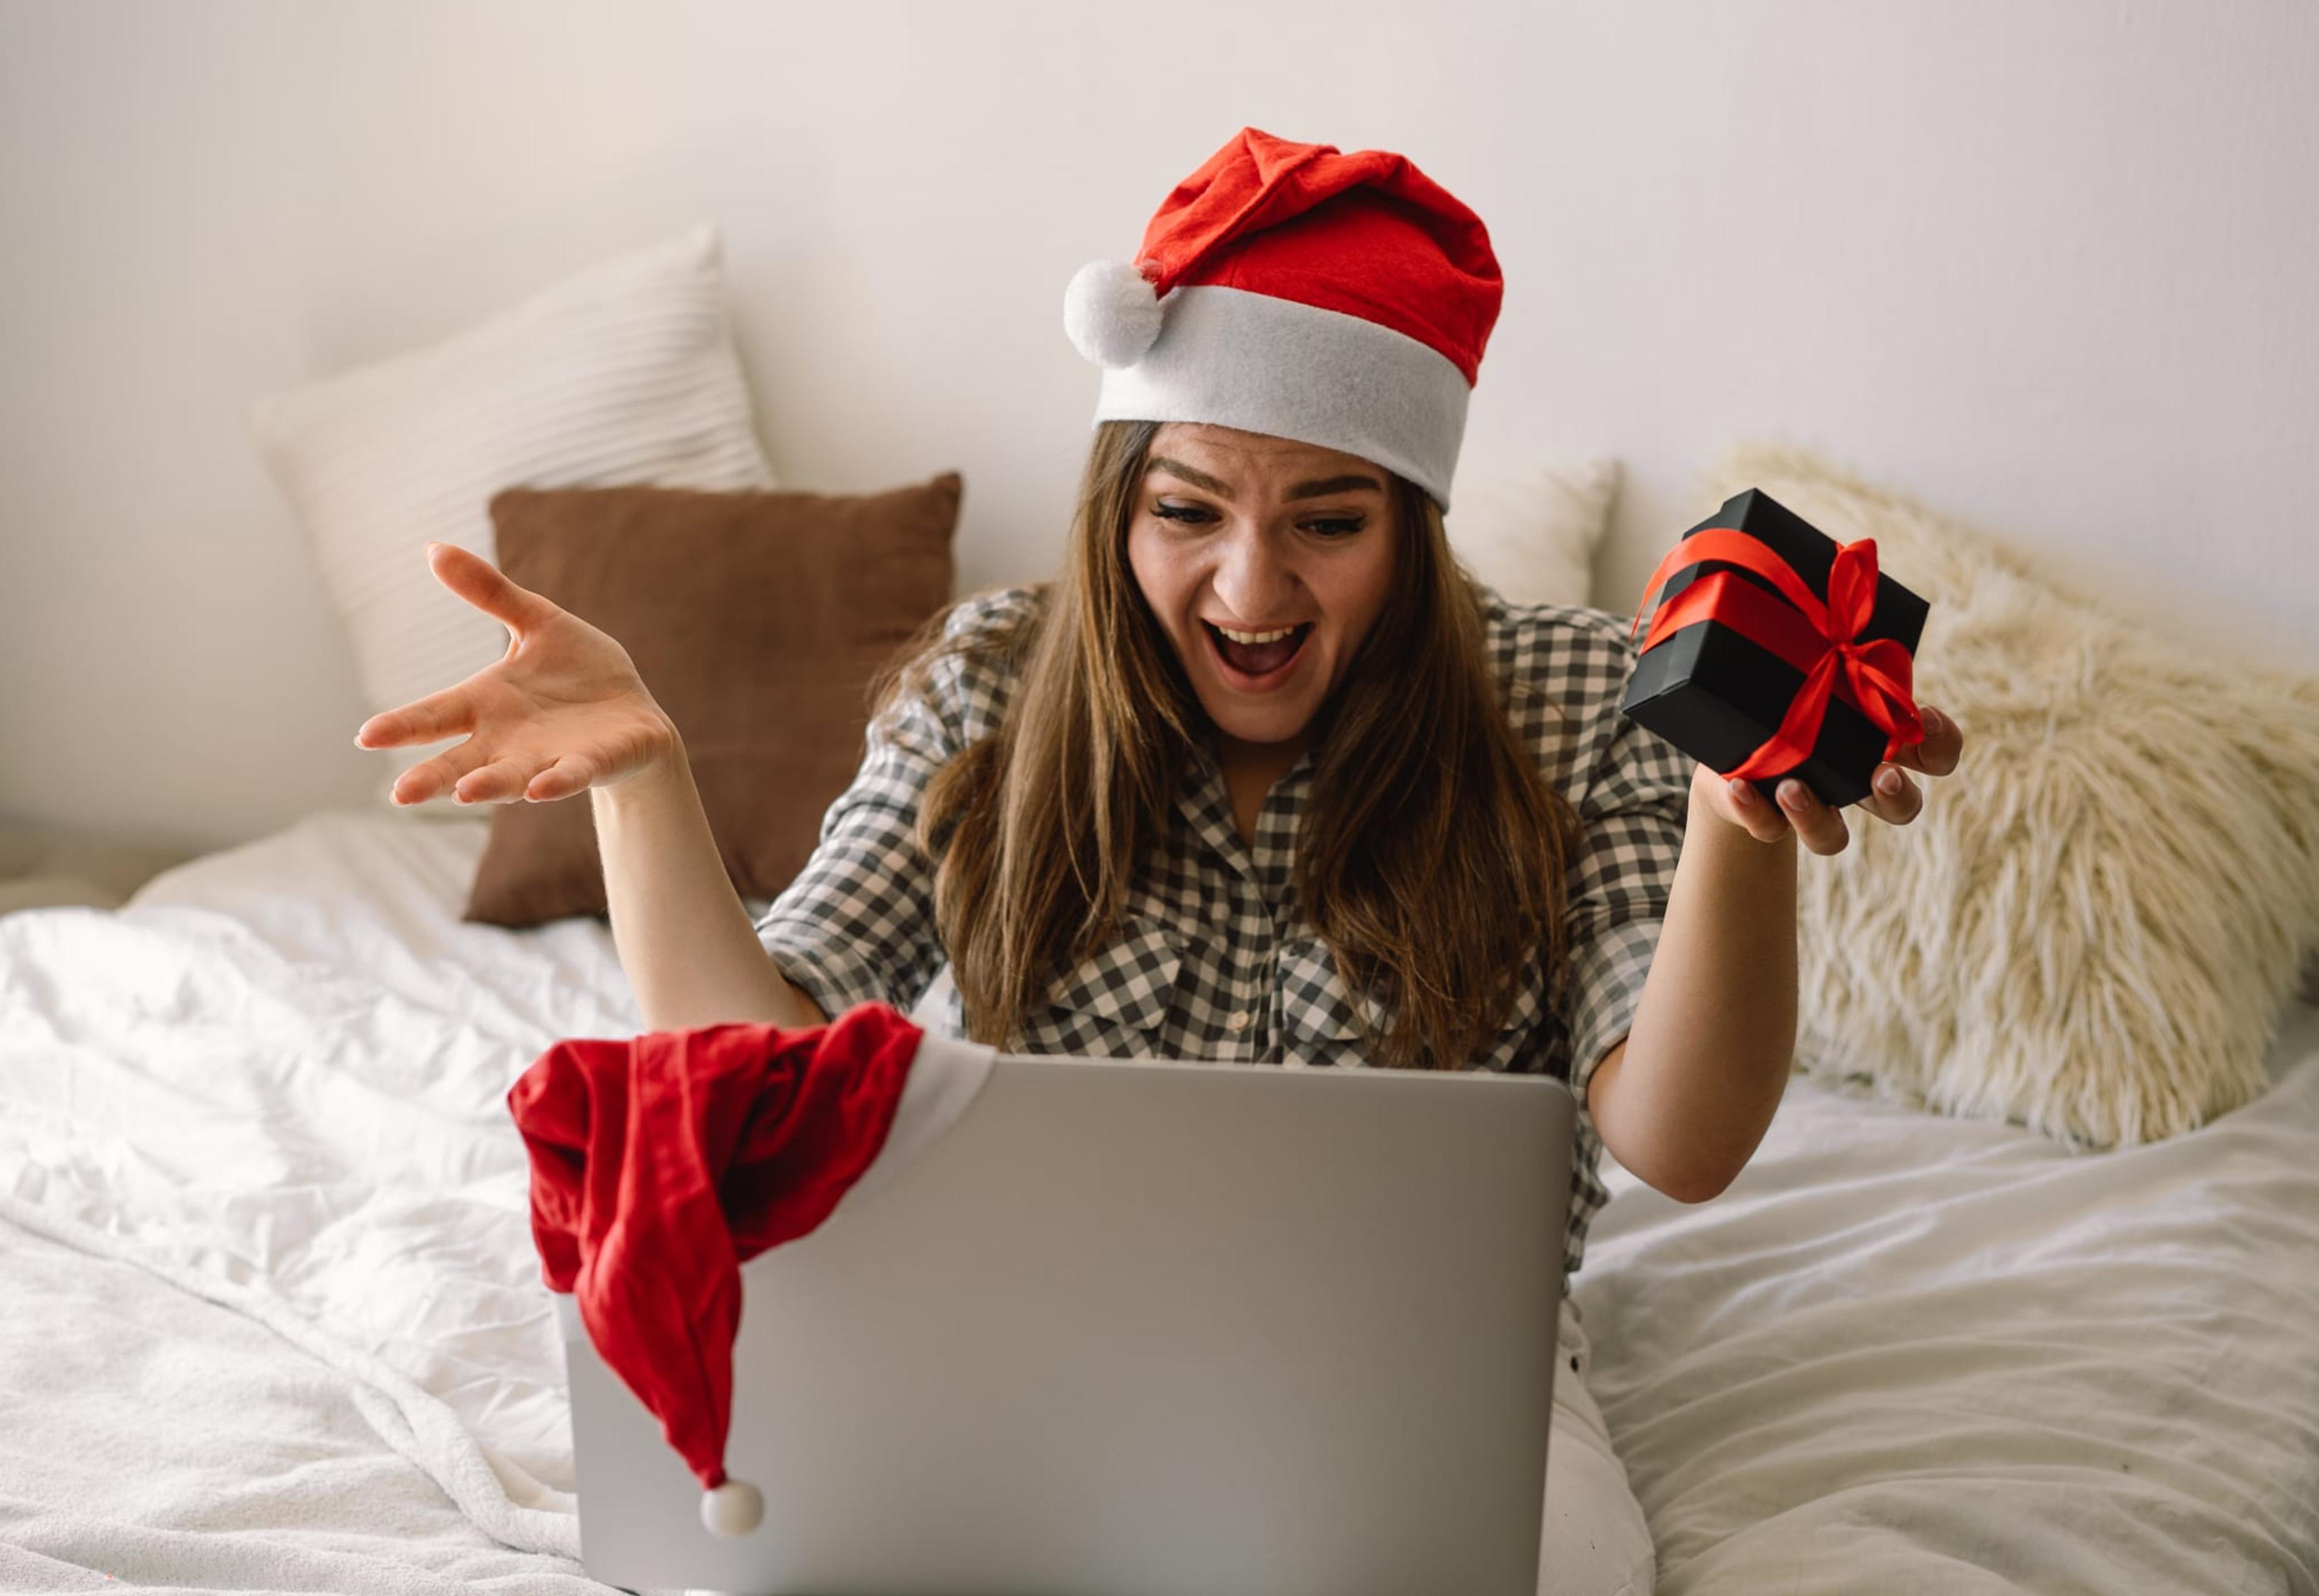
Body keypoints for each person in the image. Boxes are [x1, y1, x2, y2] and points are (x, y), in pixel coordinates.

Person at [356, 127, 1964, 1596]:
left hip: (1431, 1380)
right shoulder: (991, 679)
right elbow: (759, 1052)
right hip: (1037, 1345)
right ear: (1120, 507)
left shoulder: (1575, 701)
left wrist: (1734, 825)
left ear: (1412, 528)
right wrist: (642, 783)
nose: (1248, 586)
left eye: (1329, 522)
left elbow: (1678, 1144)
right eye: (1188, 510)